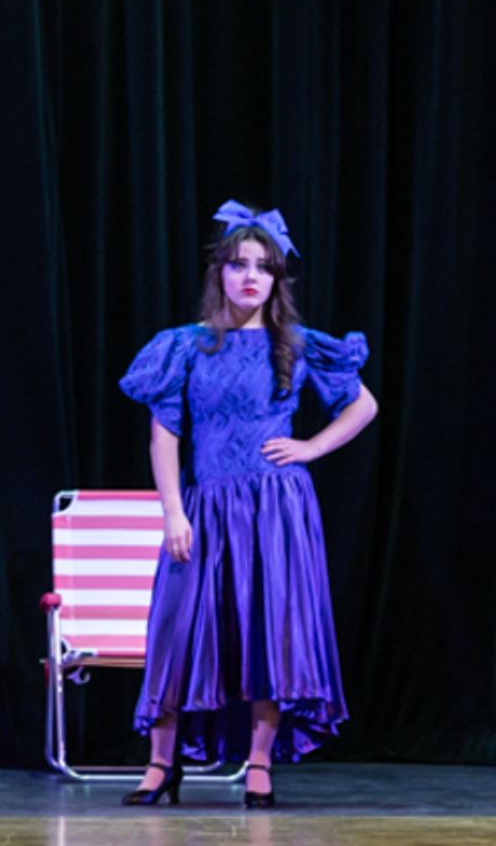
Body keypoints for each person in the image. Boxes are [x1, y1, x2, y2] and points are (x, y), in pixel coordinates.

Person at [117, 201, 377, 808]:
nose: (250, 277)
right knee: (179, 629)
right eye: (238, 265)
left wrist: (311, 446)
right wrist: (173, 511)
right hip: (205, 506)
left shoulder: (297, 344)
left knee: (272, 630)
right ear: (221, 275)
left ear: (277, 278)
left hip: (276, 509)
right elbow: (164, 433)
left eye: (263, 267)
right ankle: (161, 763)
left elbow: (362, 405)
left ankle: (259, 764)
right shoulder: (184, 346)